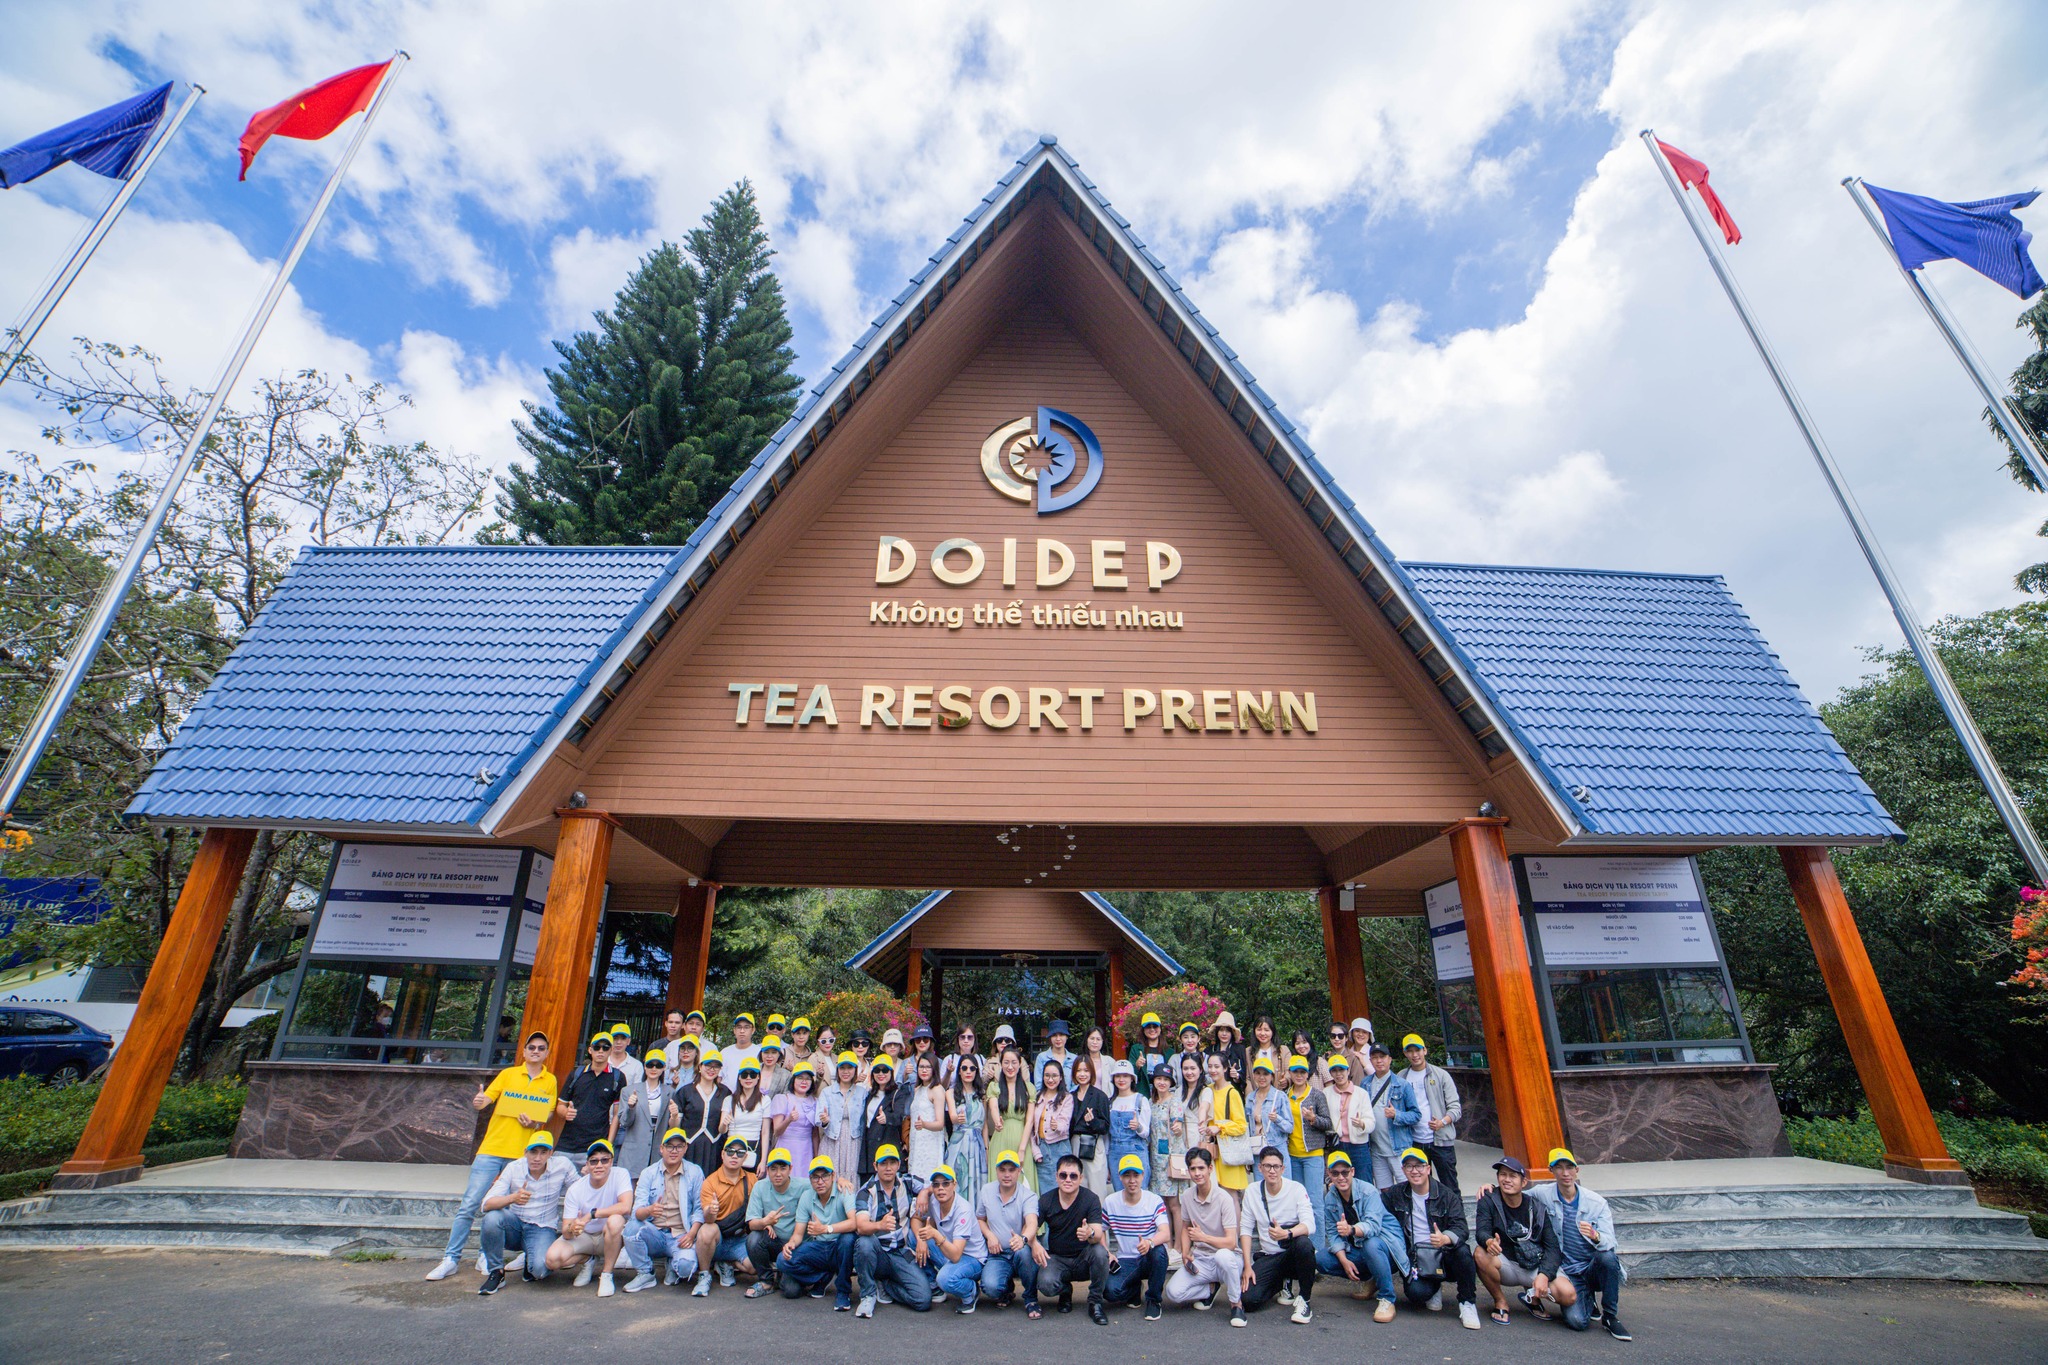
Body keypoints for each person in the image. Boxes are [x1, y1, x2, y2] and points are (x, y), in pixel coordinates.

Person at [427, 1029, 568, 1283]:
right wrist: (479, 1101)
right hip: (492, 1149)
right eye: (531, 1047)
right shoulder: (508, 1074)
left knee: (503, 1210)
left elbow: (546, 1115)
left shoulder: (549, 1081)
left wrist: (534, 1123)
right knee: (470, 1203)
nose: (536, 1051)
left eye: (541, 1048)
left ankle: (486, 1255)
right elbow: (486, 1100)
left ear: (546, 1053)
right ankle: (451, 1258)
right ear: (523, 1051)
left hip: (520, 1156)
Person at [1528, 1148, 1630, 1339]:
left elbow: (1610, 1241)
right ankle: (1587, 1298)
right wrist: (1490, 1188)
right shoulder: (1542, 1194)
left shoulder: (1596, 1202)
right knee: (1577, 1322)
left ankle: (1610, 1317)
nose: (1565, 1173)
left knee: (1607, 1257)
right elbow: (1515, 1194)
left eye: (1569, 1167)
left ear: (1577, 1170)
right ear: (1551, 1171)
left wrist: (1595, 1236)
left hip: (1592, 1267)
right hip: (1567, 1271)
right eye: (1559, 1168)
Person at [1383, 1145, 1480, 1330]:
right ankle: (1434, 1285)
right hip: (1417, 1256)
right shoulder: (1396, 1194)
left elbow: (1461, 1228)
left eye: (1419, 1166)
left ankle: (1467, 1303)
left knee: (1463, 1252)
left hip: (1444, 1253)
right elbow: (1377, 1210)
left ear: (1428, 1168)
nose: (1415, 1171)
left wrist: (1445, 1238)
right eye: (1409, 1166)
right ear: (1403, 1170)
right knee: (1416, 1294)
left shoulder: (1446, 1195)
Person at [476, 1132, 575, 1294]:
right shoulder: (514, 1168)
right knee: (492, 1218)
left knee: (540, 1271)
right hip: (515, 1225)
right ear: (525, 1152)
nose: (537, 1158)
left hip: (542, 1227)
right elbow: (486, 1204)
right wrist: (512, 1198)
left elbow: (579, 1189)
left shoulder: (563, 1165)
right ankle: (496, 1272)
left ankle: (531, 1257)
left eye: (543, 1152)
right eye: (533, 1152)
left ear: (551, 1154)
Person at [1474, 1155, 1566, 1326]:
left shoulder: (1537, 1207)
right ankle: (1500, 1301)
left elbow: (1552, 1247)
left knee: (1568, 1296)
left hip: (1534, 1265)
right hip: (1506, 1264)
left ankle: (1532, 1298)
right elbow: (1482, 1231)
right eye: (1503, 1175)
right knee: (1480, 1253)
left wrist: (1544, 1275)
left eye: (1513, 1176)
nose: (1507, 1180)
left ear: (1524, 1182)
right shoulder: (1488, 1200)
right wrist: (1488, 1241)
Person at [1317, 1148, 1407, 1321]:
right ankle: (1372, 1278)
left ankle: (1387, 1299)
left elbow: (1373, 1226)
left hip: (1387, 1248)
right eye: (1335, 1173)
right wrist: (1344, 1261)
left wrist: (1351, 1229)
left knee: (1371, 1243)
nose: (1341, 1177)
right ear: (1329, 1174)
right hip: (1358, 1248)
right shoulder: (1330, 1198)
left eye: (1345, 1172)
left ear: (1352, 1171)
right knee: (1321, 1259)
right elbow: (1332, 1232)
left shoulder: (1369, 1191)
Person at [1163, 1147, 1245, 1323]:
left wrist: (1203, 1238)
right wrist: (1185, 1252)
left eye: (1201, 1168)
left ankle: (1236, 1304)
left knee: (1223, 1255)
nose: (1197, 1173)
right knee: (1173, 1292)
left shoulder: (1224, 1198)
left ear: (1210, 1169)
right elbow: (1185, 1226)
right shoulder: (1187, 1196)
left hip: (1228, 1260)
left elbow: (1231, 1242)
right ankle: (1210, 1288)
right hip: (1202, 1260)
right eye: (1193, 1169)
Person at [1238, 1145, 1318, 1324]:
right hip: (1269, 1256)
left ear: (1283, 1168)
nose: (1272, 1171)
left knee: (1305, 1244)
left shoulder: (1296, 1189)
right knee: (1249, 1300)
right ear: (1260, 1168)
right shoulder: (1252, 1191)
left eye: (1276, 1166)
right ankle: (1281, 1282)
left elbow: (1310, 1225)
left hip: (1292, 1254)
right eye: (1267, 1166)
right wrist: (1247, 1266)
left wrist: (1287, 1234)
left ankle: (1305, 1299)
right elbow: (1245, 1229)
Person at [545, 1139, 633, 1296]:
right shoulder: (576, 1189)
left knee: (615, 1220)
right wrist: (574, 1228)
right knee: (552, 1260)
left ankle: (606, 1274)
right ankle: (588, 1260)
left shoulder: (620, 1174)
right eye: (594, 1161)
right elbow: (566, 1231)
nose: (599, 1165)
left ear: (611, 1161)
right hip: (585, 1236)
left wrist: (592, 1214)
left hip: (610, 1236)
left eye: (604, 1160)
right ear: (587, 1164)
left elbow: (625, 1207)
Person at [853, 1142, 930, 1316]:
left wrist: (924, 1193)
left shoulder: (907, 1182)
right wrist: (879, 1225)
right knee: (864, 1243)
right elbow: (861, 1225)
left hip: (901, 1252)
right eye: (883, 1163)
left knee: (923, 1299)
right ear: (875, 1166)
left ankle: (886, 1285)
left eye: (892, 1163)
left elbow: (932, 1184)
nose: (888, 1168)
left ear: (898, 1164)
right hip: (878, 1252)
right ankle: (868, 1295)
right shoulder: (866, 1191)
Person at [1033, 1153, 1110, 1324]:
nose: (1068, 1180)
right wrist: (1034, 1243)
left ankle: (1095, 1302)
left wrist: (1089, 1233)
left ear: (1081, 1178)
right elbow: (1030, 1228)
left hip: (1084, 1258)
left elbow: (1098, 1233)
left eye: (1073, 1176)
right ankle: (1065, 1290)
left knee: (1099, 1252)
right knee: (1046, 1285)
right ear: (1056, 1177)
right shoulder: (1046, 1200)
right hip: (1058, 1258)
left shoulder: (1090, 1199)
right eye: (1063, 1175)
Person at [622, 1127, 702, 1291]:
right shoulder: (648, 1173)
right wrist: (649, 1210)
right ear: (661, 1149)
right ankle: (646, 1273)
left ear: (685, 1148)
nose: (674, 1151)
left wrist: (692, 1234)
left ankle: (674, 1262)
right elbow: (637, 1212)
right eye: (669, 1146)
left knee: (686, 1268)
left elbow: (699, 1209)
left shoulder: (694, 1172)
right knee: (631, 1228)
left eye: (679, 1146)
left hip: (681, 1234)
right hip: (655, 1232)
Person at [776, 1153, 858, 1308]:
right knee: (782, 1260)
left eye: (825, 1176)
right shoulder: (807, 1196)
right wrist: (791, 1244)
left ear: (833, 1176)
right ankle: (822, 1276)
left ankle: (843, 1291)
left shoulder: (844, 1190)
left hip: (839, 1246)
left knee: (848, 1239)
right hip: (819, 1247)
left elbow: (854, 1223)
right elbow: (798, 1234)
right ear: (810, 1179)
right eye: (815, 1177)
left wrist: (826, 1229)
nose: (820, 1181)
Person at [1102, 1153, 1170, 1319]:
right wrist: (1107, 1253)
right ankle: (1133, 1288)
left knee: (1159, 1252)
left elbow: (1166, 1232)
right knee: (1110, 1292)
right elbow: (1100, 1232)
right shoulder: (1110, 1202)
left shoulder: (1154, 1200)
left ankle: (1154, 1300)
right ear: (1119, 1177)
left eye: (1136, 1175)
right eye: (1127, 1175)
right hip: (1125, 1259)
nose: (1132, 1180)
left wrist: (1149, 1242)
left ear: (1143, 1175)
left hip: (1148, 1255)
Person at [974, 1150, 1041, 1316]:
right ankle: (1007, 1290)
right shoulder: (986, 1191)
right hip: (998, 1254)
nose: (1007, 1174)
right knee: (989, 1287)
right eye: (1002, 1170)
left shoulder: (1028, 1195)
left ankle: (1031, 1298)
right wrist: (989, 1235)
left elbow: (1032, 1223)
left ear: (1019, 1171)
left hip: (1019, 1249)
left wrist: (1023, 1239)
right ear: (996, 1171)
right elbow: (979, 1219)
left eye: (1011, 1170)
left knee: (1024, 1254)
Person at [691, 1134, 759, 1295]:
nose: (735, 1156)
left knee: (755, 1267)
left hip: (739, 1240)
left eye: (740, 1152)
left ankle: (727, 1264)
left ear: (745, 1157)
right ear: (722, 1154)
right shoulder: (710, 1182)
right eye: (730, 1151)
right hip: (718, 1240)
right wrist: (710, 1211)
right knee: (707, 1229)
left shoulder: (752, 1179)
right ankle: (704, 1274)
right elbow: (708, 1219)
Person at [915, 1162, 986, 1313]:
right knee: (913, 1236)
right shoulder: (934, 1200)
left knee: (946, 1279)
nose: (941, 1188)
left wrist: (934, 1234)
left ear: (954, 1185)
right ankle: (935, 1288)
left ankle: (971, 1292)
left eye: (946, 1183)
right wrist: (921, 1239)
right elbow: (916, 1219)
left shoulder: (963, 1210)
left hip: (971, 1258)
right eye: (936, 1184)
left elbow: (955, 1255)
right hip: (948, 1249)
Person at [1282, 1055, 1333, 1251]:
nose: (1299, 1075)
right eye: (1295, 1072)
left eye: (1303, 1072)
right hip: (1292, 1155)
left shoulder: (1317, 1095)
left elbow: (1328, 1123)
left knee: (1315, 1203)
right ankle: (1301, 1250)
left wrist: (1313, 1119)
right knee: (1297, 1204)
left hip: (1312, 1155)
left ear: (1308, 1074)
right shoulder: (1285, 1095)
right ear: (1290, 1073)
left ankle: (1317, 1250)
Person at [1401, 1034, 1462, 1195]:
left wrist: (1443, 1121)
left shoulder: (1440, 1075)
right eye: (1410, 1051)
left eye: (1418, 1050)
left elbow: (1455, 1107)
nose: (1415, 1055)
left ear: (1425, 1051)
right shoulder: (1401, 1077)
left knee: (1449, 1185)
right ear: (1405, 1054)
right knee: (1421, 1186)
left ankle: (1456, 1219)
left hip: (1441, 1140)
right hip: (1414, 1141)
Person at [742, 1147, 805, 1297]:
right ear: (767, 1170)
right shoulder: (760, 1186)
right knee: (754, 1238)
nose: (778, 1173)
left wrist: (840, 1180)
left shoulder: (804, 1186)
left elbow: (827, 1184)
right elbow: (751, 1224)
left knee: (791, 1291)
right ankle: (766, 1281)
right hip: (774, 1241)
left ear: (790, 1169)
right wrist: (765, 1221)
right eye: (773, 1169)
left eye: (783, 1168)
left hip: (796, 1245)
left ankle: (786, 1275)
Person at [557, 1033, 625, 1157]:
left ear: (611, 1050)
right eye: (596, 1047)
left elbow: (617, 1115)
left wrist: (608, 1145)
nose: (600, 1051)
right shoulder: (576, 1074)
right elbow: (561, 1105)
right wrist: (565, 1112)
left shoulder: (618, 1077)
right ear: (590, 1050)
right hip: (566, 1144)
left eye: (605, 1048)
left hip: (596, 1146)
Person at [1363, 1043, 1419, 1189]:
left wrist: (1397, 1115)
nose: (1379, 1061)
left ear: (1390, 1059)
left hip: (1399, 1148)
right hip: (1376, 1150)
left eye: (1382, 1057)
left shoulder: (1402, 1084)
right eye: (1374, 1058)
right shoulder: (1365, 1084)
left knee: (1406, 1188)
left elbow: (1416, 1115)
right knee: (1385, 1192)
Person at [613, 1048, 674, 1181]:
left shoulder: (669, 1092)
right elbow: (624, 1122)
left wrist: (674, 1115)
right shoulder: (628, 1090)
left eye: (658, 1065)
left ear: (664, 1068)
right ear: (644, 1066)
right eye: (650, 1064)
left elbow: (672, 1126)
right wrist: (630, 1107)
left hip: (657, 1152)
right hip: (633, 1151)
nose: (653, 1068)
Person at [1147, 1062, 1191, 1241]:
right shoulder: (1150, 1102)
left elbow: (1178, 1123)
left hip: (1171, 1158)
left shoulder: (1175, 1101)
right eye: (1159, 1078)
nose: (1162, 1082)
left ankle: (1179, 1246)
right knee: (1162, 1203)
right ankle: (1167, 1241)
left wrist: (1178, 1127)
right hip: (1155, 1158)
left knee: (1174, 1203)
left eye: (1166, 1079)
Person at [1196, 1052, 1249, 1191]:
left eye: (1217, 1066)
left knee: (1230, 1194)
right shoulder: (1208, 1090)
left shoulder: (1232, 1093)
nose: (1213, 1070)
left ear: (1225, 1068)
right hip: (1212, 1150)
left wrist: (1219, 1127)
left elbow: (1241, 1126)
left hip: (1228, 1150)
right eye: (1210, 1066)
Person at [944, 1053, 990, 1205]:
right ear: (959, 1071)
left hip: (977, 1146)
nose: (968, 1071)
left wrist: (986, 1149)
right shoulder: (950, 1093)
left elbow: (984, 1126)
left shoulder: (981, 1094)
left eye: (972, 1068)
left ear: (977, 1071)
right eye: (964, 1068)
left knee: (977, 1186)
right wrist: (959, 1119)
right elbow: (952, 1116)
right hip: (959, 1143)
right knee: (957, 1181)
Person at [988, 1047, 1035, 1192]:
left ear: (1020, 1063)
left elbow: (1030, 1120)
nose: (1010, 1067)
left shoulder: (1029, 1088)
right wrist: (997, 1122)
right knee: (999, 1183)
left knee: (1024, 1183)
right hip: (1000, 1139)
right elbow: (994, 1108)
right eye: (1006, 1062)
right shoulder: (994, 1087)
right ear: (1001, 1064)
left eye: (1014, 1062)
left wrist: (1022, 1148)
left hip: (1022, 1138)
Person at [676, 1050, 731, 1175]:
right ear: (700, 1067)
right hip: (690, 1145)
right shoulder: (686, 1091)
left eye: (716, 1066)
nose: (712, 1069)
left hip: (714, 1146)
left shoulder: (725, 1093)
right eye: (708, 1065)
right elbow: (675, 1124)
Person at [1323, 1053, 1375, 1183]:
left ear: (1348, 1070)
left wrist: (1362, 1124)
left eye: (1341, 1070)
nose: (1338, 1074)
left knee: (1364, 1181)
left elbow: (1371, 1121)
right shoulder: (1326, 1093)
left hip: (1359, 1145)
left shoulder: (1361, 1093)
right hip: (1337, 1144)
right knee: (1340, 1182)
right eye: (1334, 1071)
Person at [819, 1050, 868, 1180]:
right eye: (842, 1068)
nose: (846, 1072)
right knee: (830, 1174)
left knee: (851, 1175)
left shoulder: (862, 1093)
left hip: (853, 1140)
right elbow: (818, 1118)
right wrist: (825, 1120)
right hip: (832, 1139)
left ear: (855, 1070)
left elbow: (865, 1121)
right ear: (837, 1069)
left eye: (850, 1068)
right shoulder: (827, 1092)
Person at [1069, 1055, 1112, 1197]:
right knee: (1076, 1187)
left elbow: (1105, 1127)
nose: (1082, 1074)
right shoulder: (1070, 1096)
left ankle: (1096, 1218)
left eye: (1086, 1070)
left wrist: (1092, 1121)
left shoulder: (1100, 1096)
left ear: (1092, 1072)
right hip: (1075, 1144)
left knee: (1096, 1189)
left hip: (1093, 1144)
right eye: (1079, 1071)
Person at [1028, 1058, 1074, 1191]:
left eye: (1054, 1076)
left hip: (1060, 1147)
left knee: (1064, 1186)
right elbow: (1031, 1127)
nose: (1050, 1079)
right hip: (1041, 1147)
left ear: (1061, 1078)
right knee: (1045, 1190)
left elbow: (1065, 1123)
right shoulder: (1037, 1096)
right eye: (1047, 1075)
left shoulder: (1066, 1097)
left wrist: (1057, 1126)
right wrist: (1036, 1151)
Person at [1105, 1059, 1152, 1187]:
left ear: (1132, 1079)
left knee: (1139, 1191)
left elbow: (1146, 1133)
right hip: (1115, 1152)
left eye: (1125, 1076)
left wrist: (1138, 1127)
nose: (1121, 1079)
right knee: (1119, 1194)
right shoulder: (1110, 1102)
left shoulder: (1141, 1100)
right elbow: (1107, 1136)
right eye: (1118, 1076)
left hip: (1136, 1149)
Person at [769, 1059, 820, 1172]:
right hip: (786, 1147)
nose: (804, 1082)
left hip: (806, 1149)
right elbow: (777, 1132)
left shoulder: (815, 1101)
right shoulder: (783, 1099)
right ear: (793, 1080)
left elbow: (815, 1134)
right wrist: (789, 1120)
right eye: (800, 1078)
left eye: (807, 1079)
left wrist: (816, 1157)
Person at [906, 1052, 947, 1181]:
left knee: (929, 1181)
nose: (924, 1070)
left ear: (934, 1069)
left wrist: (924, 1124)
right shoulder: (917, 1089)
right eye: (921, 1066)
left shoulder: (937, 1089)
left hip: (931, 1144)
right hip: (916, 1142)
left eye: (928, 1067)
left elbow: (940, 1124)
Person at [1244, 1057, 1294, 1161]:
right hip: (1257, 1150)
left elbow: (1290, 1127)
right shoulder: (1250, 1098)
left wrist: (1277, 1119)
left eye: (1266, 1074)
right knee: (1259, 1178)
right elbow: (1247, 1127)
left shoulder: (1280, 1096)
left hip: (1278, 1149)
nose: (1261, 1077)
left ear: (1272, 1076)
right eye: (1258, 1073)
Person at [859, 1056, 900, 1180]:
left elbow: (901, 1116)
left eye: (885, 1070)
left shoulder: (898, 1092)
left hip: (886, 1145)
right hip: (868, 1149)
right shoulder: (869, 1094)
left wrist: (887, 1118)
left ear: (891, 1073)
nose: (881, 1074)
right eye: (877, 1070)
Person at [727, 1060, 771, 1172]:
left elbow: (765, 1132)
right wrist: (723, 1124)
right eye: (744, 1074)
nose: (748, 1078)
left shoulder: (765, 1100)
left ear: (758, 1078)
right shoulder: (729, 1099)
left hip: (754, 1146)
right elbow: (722, 1130)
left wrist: (763, 1161)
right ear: (739, 1078)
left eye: (752, 1075)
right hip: (732, 1146)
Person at [1207, 1012, 1247, 1089]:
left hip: (1234, 1092)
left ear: (1232, 1033)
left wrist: (1236, 1076)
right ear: (1217, 1032)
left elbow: (1245, 1076)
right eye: (1221, 1030)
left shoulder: (1240, 1050)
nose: (1224, 1034)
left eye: (1227, 1031)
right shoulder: (1209, 1051)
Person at [938, 1023, 983, 1088]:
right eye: (962, 1037)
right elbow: (941, 1088)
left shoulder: (981, 1059)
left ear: (974, 1039)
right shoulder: (950, 1059)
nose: (966, 1041)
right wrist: (948, 1072)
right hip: (952, 1096)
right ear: (958, 1039)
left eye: (970, 1037)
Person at [1033, 1019, 1075, 1085]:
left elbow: (1076, 1085)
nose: (1058, 1039)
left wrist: (1068, 1095)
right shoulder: (1042, 1058)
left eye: (1061, 1035)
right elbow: (1038, 1085)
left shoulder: (1074, 1059)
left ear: (1066, 1037)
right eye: (1054, 1035)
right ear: (1050, 1037)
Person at [1131, 1011, 1170, 1079]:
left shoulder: (1169, 1051)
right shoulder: (1135, 1049)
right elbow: (1130, 1075)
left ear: (1160, 1029)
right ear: (1143, 1030)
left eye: (1155, 1026)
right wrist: (1137, 1066)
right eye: (1148, 1027)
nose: (1152, 1029)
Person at [757, 1034, 790, 1098]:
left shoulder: (786, 1075)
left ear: (779, 1054)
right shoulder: (754, 1071)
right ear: (761, 1053)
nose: (769, 1056)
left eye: (774, 1052)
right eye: (766, 1052)